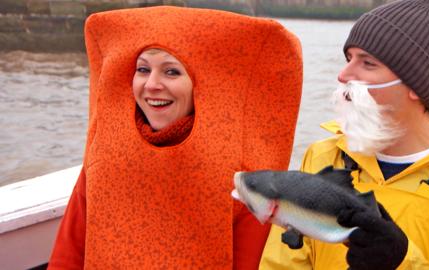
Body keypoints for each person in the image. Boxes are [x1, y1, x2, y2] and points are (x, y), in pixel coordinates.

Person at [48, 6, 302, 269]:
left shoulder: (243, 175)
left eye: (172, 72)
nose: (151, 85)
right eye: (143, 69)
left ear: (202, 83)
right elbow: (68, 255)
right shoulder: (104, 154)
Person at [260, 0, 429, 269]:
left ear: (416, 85)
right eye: (349, 59)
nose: (344, 75)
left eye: (367, 63)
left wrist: (399, 262)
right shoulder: (322, 157)